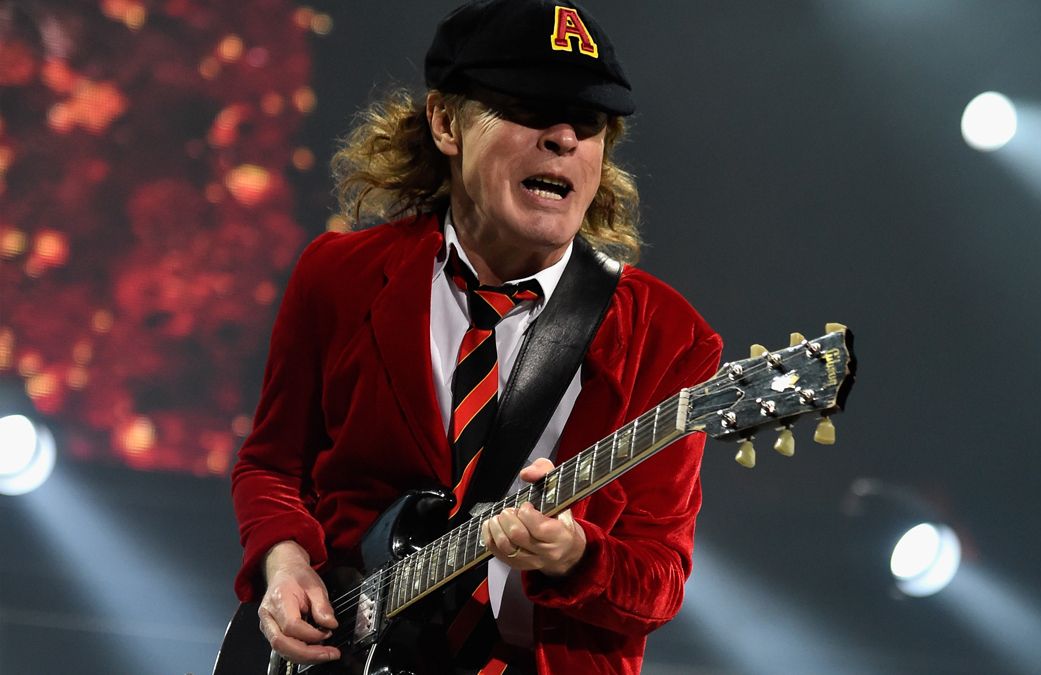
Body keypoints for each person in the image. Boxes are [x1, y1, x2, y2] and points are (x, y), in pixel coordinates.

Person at [230, 0, 723, 672]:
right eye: (530, 108)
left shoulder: (668, 336)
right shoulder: (339, 275)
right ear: (445, 121)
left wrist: (576, 554)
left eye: (588, 122)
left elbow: (659, 580)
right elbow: (272, 467)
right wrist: (284, 564)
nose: (564, 139)